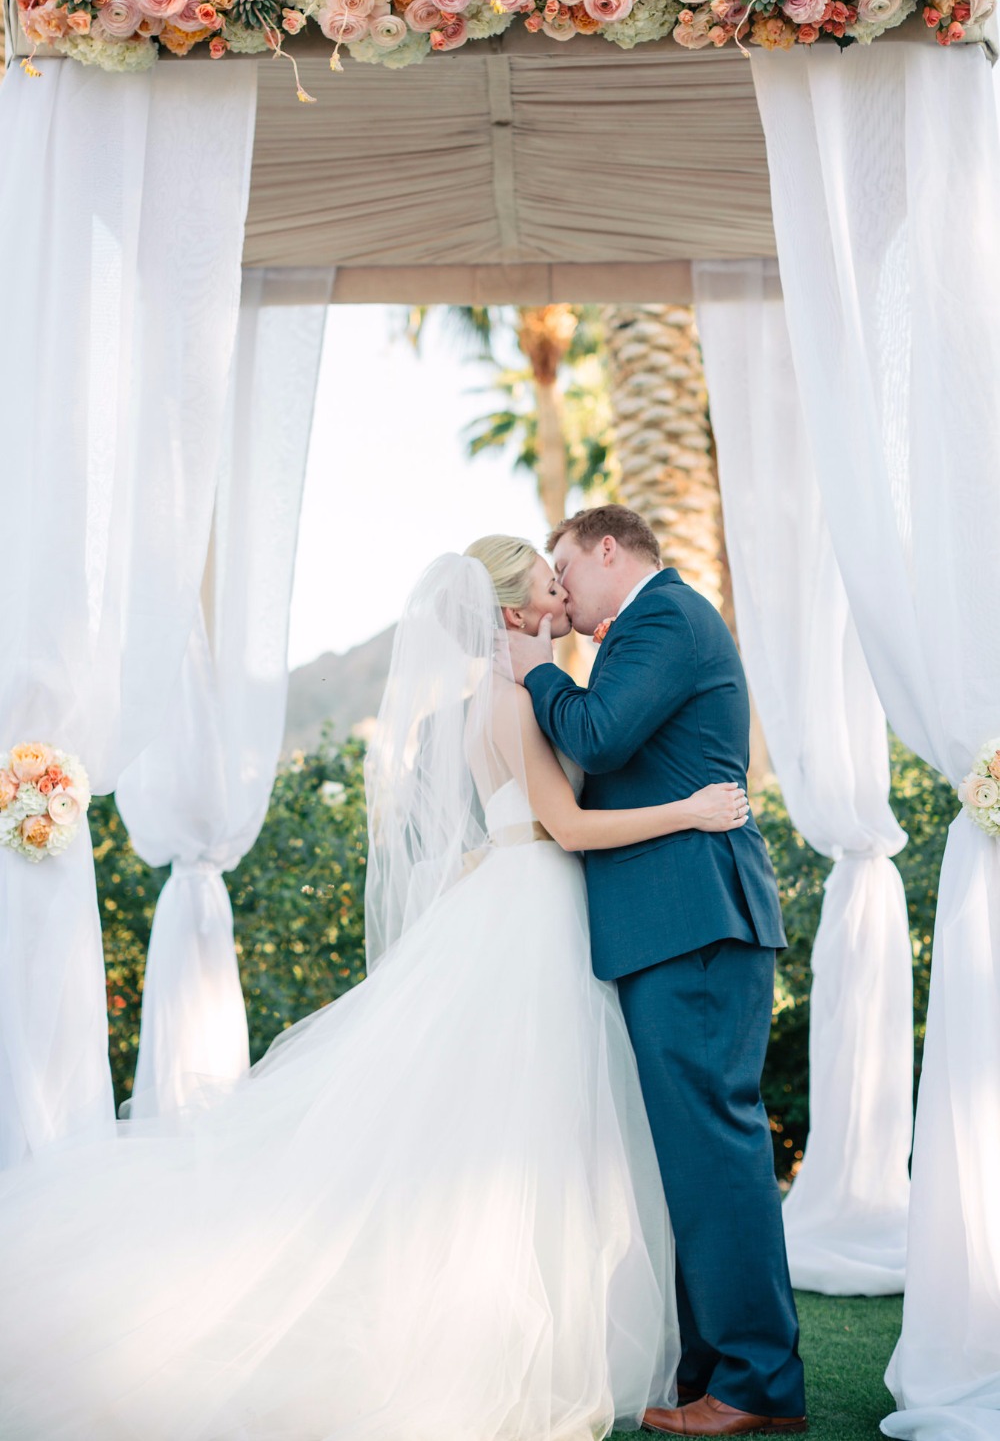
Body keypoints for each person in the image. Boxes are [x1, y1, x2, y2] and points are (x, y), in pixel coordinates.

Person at [0, 537, 750, 1441]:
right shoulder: (519, 700)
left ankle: (556, 1340)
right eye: (549, 583)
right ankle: (528, 1352)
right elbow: (569, 826)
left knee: (522, 1138)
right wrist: (695, 809)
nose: (562, 592)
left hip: (520, 906)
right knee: (538, 1137)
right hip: (545, 914)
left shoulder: (488, 699)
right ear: (514, 613)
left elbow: (519, 826)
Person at [507, 506, 808, 1439]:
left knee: (715, 1148)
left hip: (695, 922)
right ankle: (713, 1369)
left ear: (607, 549)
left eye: (565, 567)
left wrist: (532, 671)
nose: (560, 594)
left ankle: (756, 1382)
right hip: (670, 924)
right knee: (693, 1154)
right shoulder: (640, 630)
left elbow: (596, 739)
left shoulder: (666, 617)